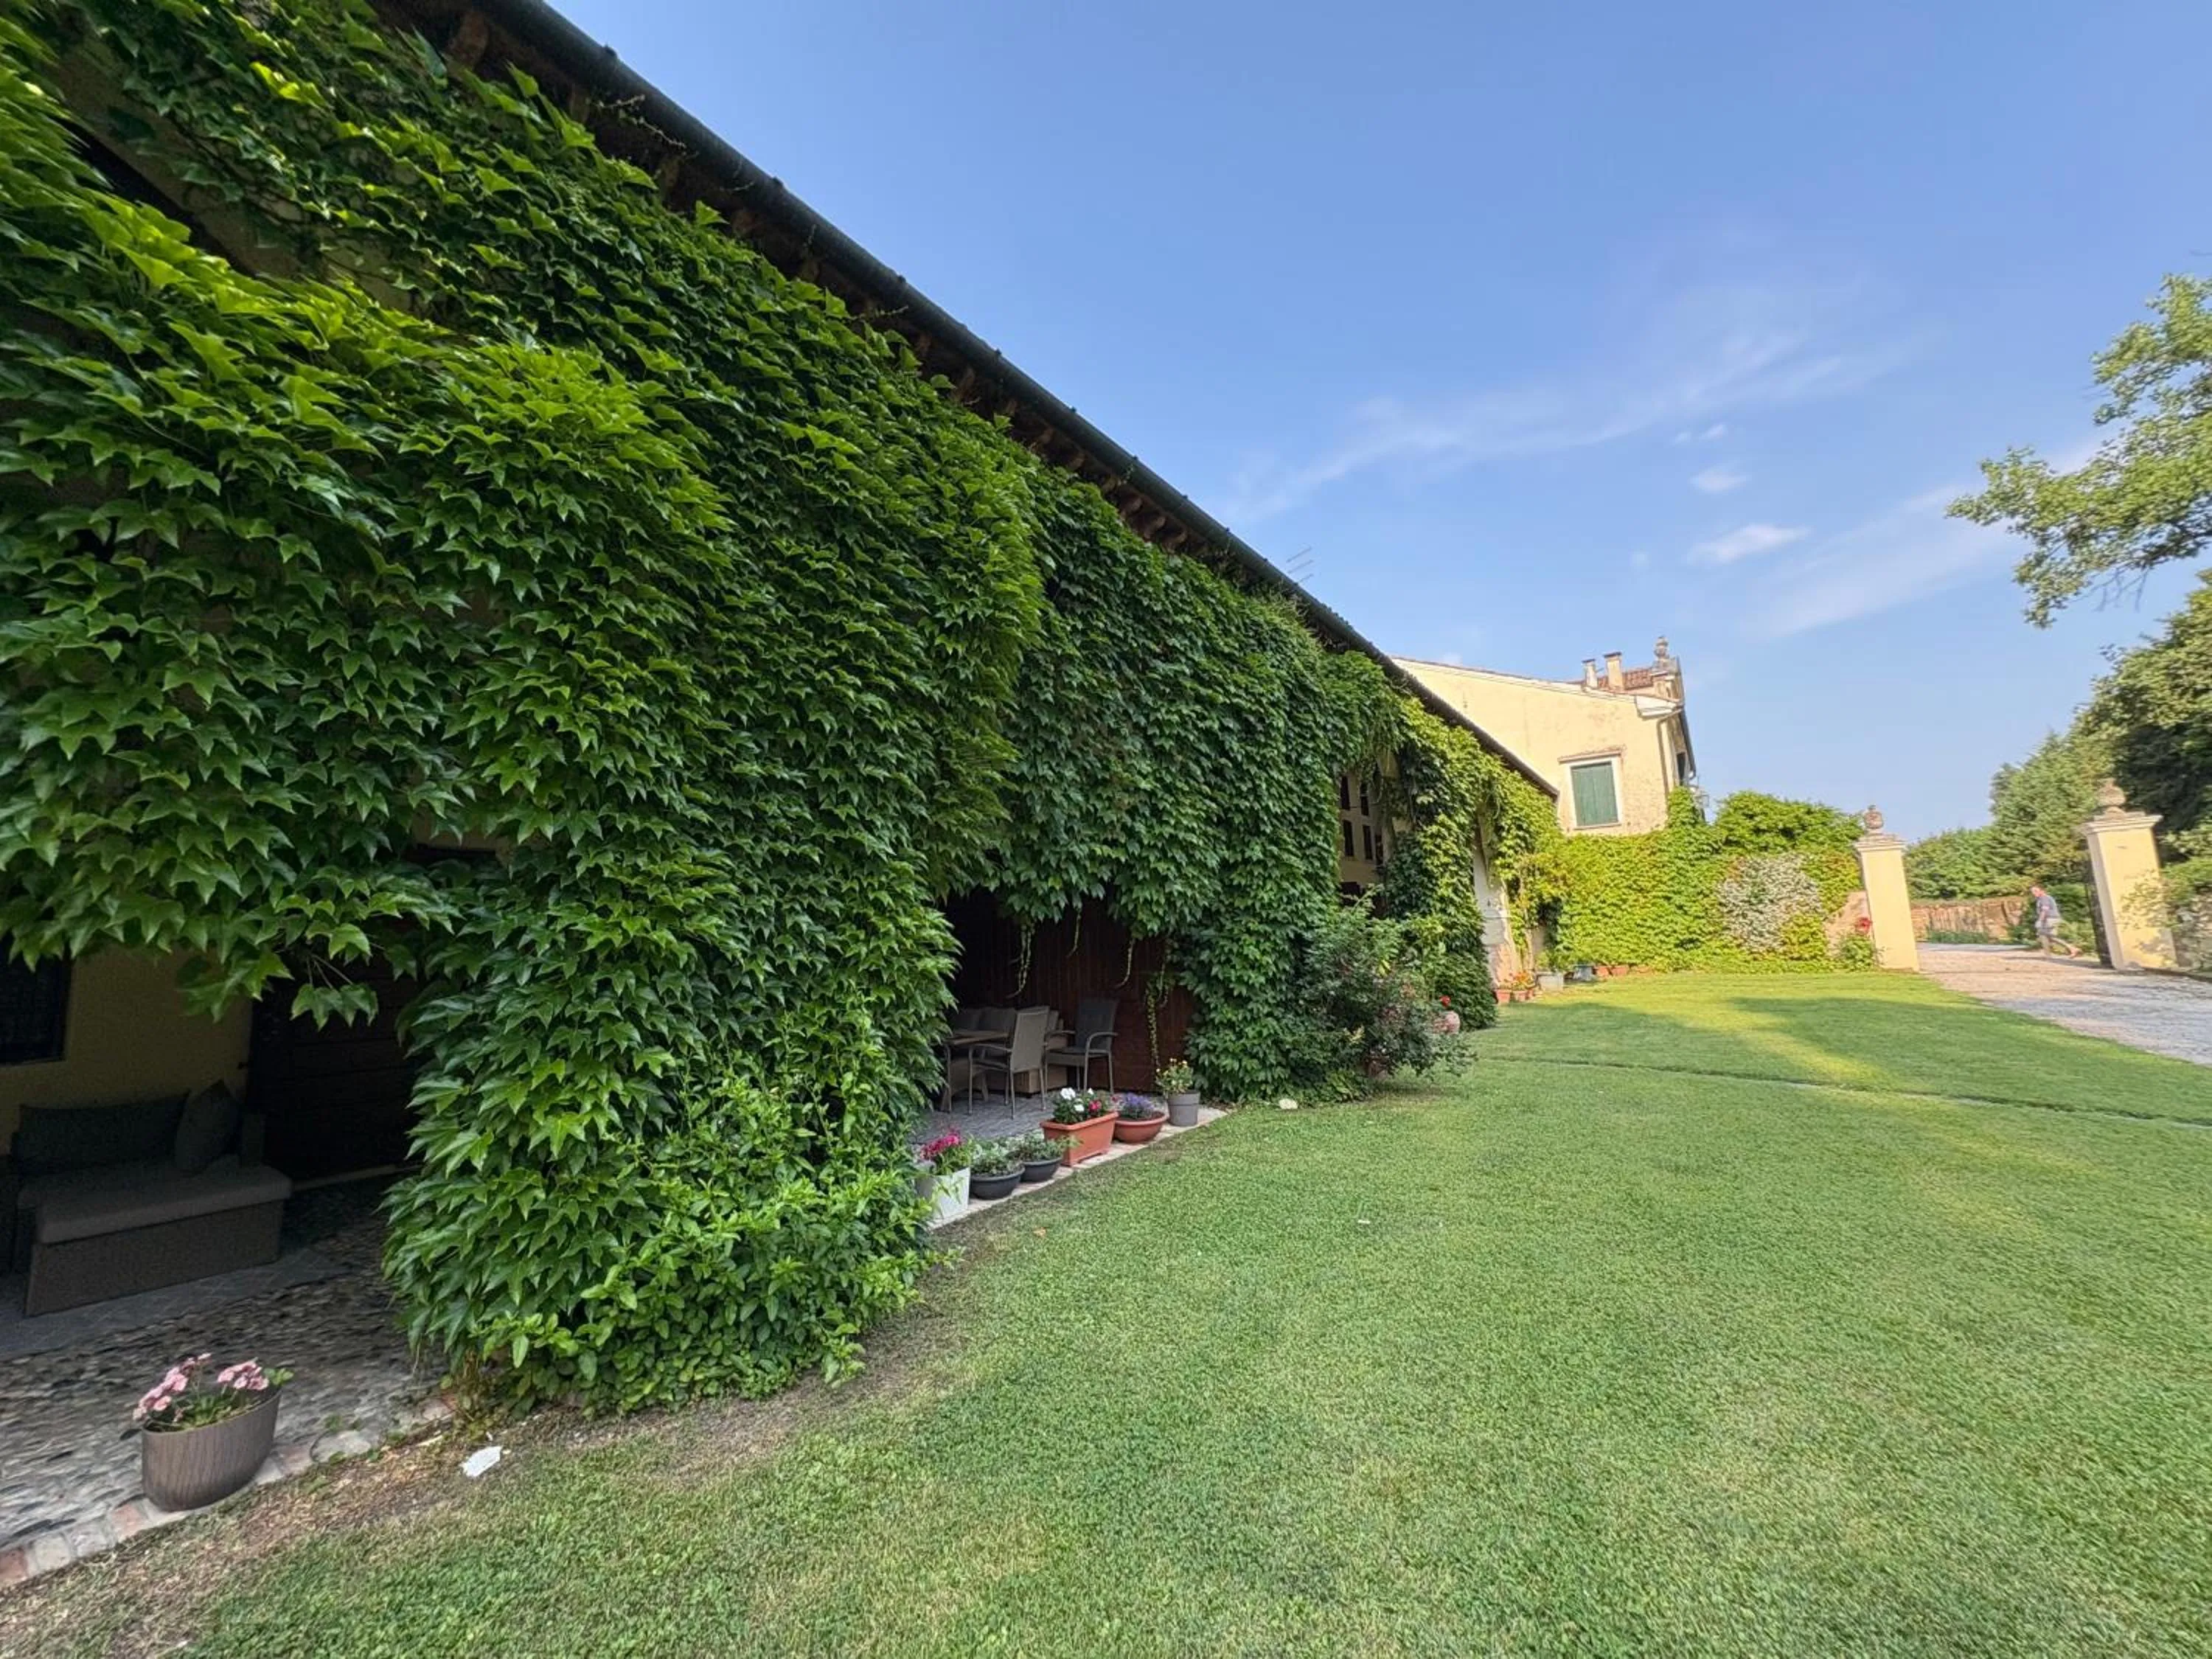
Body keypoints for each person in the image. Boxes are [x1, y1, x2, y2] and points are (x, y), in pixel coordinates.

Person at [2028, 884, 2084, 959]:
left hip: (2050, 919)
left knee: (2043, 935)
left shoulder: (2044, 898)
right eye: (2032, 891)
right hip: (2050, 919)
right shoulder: (2041, 899)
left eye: (2036, 891)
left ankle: (2048, 956)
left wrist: (2040, 921)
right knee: (2049, 937)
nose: (2034, 893)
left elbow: (2045, 910)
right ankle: (2072, 949)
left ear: (2042, 891)